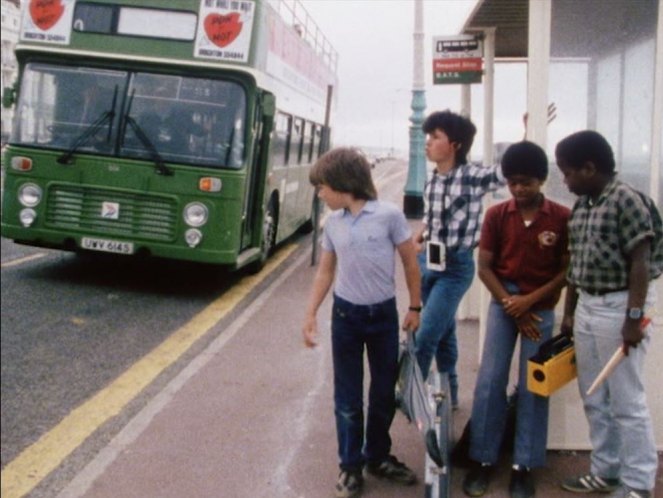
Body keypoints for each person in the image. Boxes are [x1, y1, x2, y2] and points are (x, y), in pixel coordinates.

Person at [302, 147, 422, 498]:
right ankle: (350, 466)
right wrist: (310, 313)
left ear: (343, 183)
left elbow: (410, 264)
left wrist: (414, 307)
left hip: (383, 316)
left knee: (383, 392)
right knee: (348, 397)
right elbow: (326, 271)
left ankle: (378, 456)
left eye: (322, 187)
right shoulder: (334, 224)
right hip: (346, 318)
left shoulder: (388, 215)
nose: (320, 194)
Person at [555, 130, 662, 498]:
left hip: (619, 309)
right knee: (594, 395)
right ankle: (606, 471)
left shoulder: (625, 200)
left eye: (568, 173)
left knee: (627, 401)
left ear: (590, 167)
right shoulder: (582, 207)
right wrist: (569, 314)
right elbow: (575, 267)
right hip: (587, 306)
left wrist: (633, 319)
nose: (565, 181)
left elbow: (641, 262)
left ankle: (638, 483)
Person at [462, 141, 571, 498]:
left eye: (526, 182)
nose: (519, 189)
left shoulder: (561, 217)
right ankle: (482, 459)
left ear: (541, 179)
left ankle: (523, 465)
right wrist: (512, 303)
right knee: (491, 379)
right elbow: (484, 267)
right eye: (512, 183)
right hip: (503, 300)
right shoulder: (496, 214)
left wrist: (529, 303)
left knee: (533, 385)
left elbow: (565, 272)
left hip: (539, 304)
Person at [412, 109, 507, 407]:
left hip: (455, 268)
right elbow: (433, 215)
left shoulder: (471, 176)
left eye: (435, 137)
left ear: (455, 145)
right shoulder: (432, 180)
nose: (427, 143)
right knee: (442, 330)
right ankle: (450, 392)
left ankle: (409, 394)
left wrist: (527, 133)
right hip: (428, 262)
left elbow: (503, 172)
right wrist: (422, 233)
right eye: (428, 136)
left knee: (425, 334)